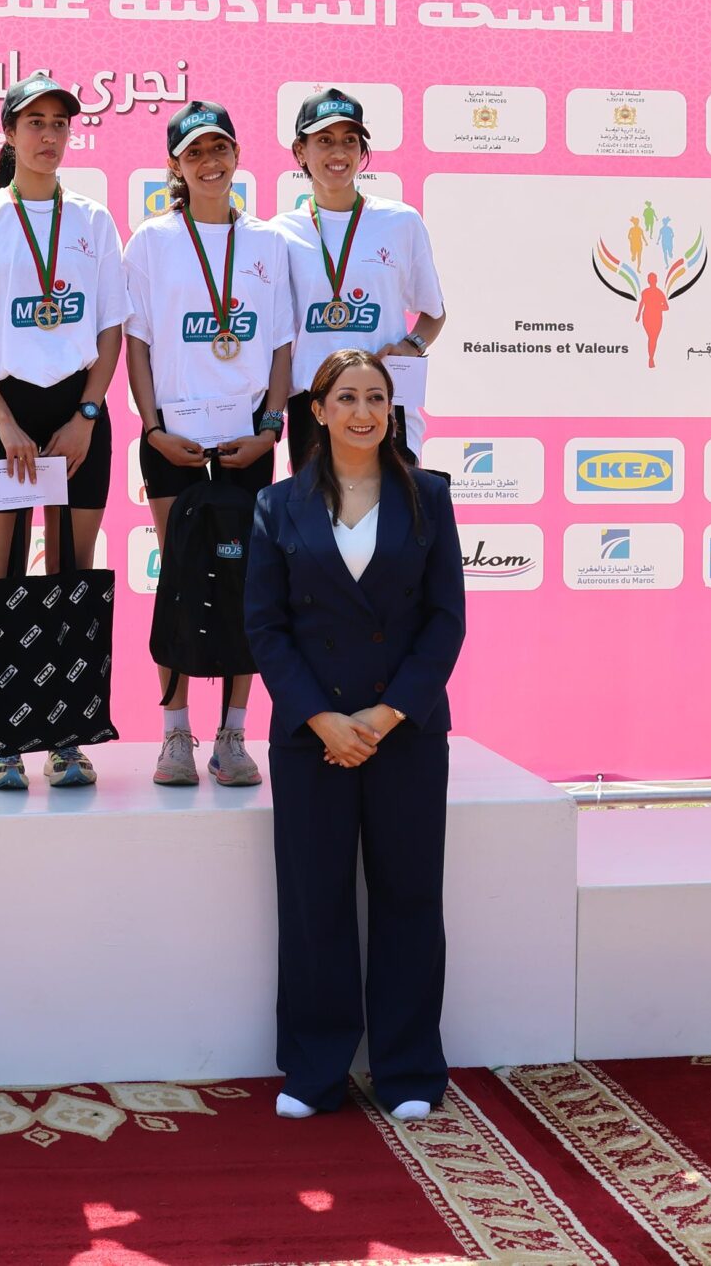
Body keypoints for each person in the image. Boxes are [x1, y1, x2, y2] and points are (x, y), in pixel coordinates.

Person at [245, 349, 464, 1121]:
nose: (363, 411)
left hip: (406, 730)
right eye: (346, 397)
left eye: (376, 397)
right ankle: (314, 1072)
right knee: (315, 902)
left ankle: (408, 1070)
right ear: (318, 410)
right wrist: (323, 719)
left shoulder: (429, 497)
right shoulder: (277, 505)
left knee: (410, 896)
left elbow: (445, 622)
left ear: (392, 410)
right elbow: (265, 627)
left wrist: (385, 714)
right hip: (313, 737)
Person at [0, 73, 128, 791]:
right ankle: (6, 741)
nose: (49, 135)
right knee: (4, 579)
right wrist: (5, 421)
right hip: (2, 413)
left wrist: (86, 415)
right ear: (9, 134)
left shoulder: (93, 221)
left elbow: (110, 329)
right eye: (34, 122)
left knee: (72, 576)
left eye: (59, 123)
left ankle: (69, 739)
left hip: (78, 414)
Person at [123, 100, 294, 787]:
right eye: (194, 152)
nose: (210, 162)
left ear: (238, 154)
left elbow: (281, 345)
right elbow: (137, 345)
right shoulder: (151, 240)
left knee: (247, 584)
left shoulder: (268, 243)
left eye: (219, 148)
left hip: (247, 441)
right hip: (174, 442)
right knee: (179, 582)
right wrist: (153, 428)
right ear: (176, 165)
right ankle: (174, 734)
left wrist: (271, 427)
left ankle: (233, 735)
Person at [267, 88, 447, 466]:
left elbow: (434, 313)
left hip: (385, 400)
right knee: (317, 507)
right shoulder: (278, 234)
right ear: (300, 151)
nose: (339, 153)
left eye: (350, 141)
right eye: (325, 141)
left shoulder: (401, 221)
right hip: (313, 407)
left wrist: (411, 345)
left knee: (395, 506)